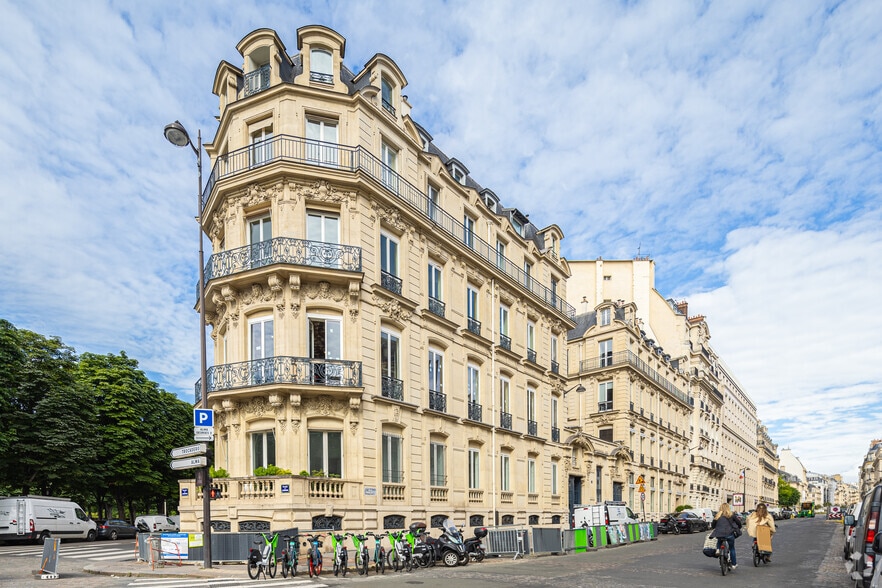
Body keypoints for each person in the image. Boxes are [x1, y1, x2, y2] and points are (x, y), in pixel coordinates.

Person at [711, 503, 742, 569]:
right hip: (729, 534)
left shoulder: (717, 515)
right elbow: (739, 523)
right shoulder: (732, 515)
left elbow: (713, 525)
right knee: (732, 548)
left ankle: (718, 549)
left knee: (719, 539)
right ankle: (733, 564)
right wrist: (738, 527)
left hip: (719, 534)